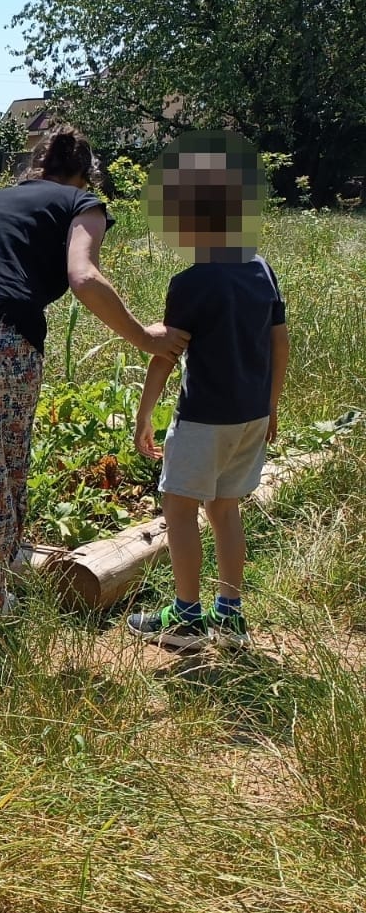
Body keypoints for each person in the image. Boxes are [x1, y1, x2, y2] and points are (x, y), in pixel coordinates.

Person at [0, 127, 191, 621]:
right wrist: (145, 337)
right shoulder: (83, 203)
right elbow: (84, 275)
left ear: (40, 165)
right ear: (86, 173)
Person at [128, 132, 288, 650]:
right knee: (226, 509)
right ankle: (232, 616)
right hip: (251, 416)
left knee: (179, 508)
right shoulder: (260, 268)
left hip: (204, 419)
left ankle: (187, 618)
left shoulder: (191, 282)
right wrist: (272, 406)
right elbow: (280, 342)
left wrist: (144, 414)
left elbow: (164, 356)